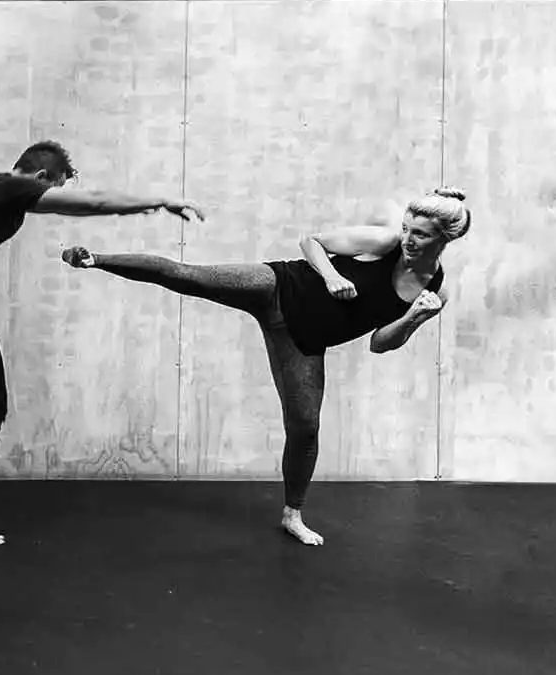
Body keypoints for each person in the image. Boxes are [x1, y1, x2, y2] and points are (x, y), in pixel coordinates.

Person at [61, 186, 470, 546]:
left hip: (303, 342)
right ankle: (94, 258)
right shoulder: (383, 243)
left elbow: (380, 344)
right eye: (406, 228)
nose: (408, 239)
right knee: (189, 276)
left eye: (420, 234)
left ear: (444, 239)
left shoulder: (434, 290)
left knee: (306, 427)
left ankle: (292, 514)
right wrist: (330, 276)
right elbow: (310, 241)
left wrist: (415, 317)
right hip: (277, 288)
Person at [0, 141, 204, 546]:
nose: (51, 198)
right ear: (41, 178)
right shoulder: (15, 188)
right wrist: (160, 200)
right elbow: (95, 202)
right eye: (54, 189)